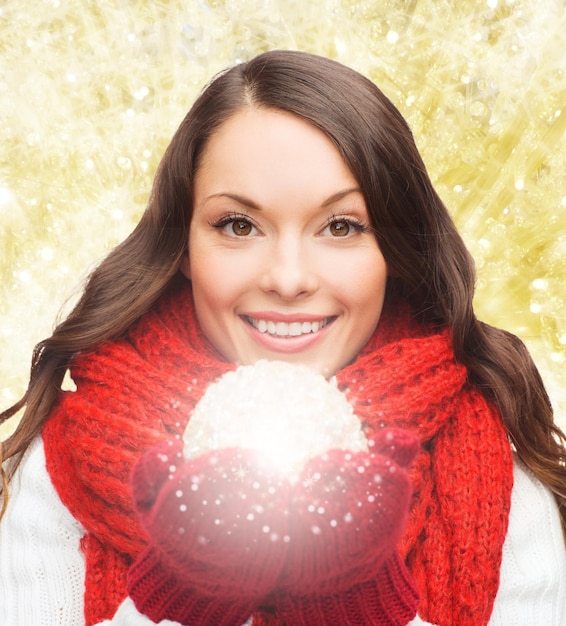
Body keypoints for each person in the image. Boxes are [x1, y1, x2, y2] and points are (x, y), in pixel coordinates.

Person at [1, 49, 565, 626]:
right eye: (239, 226)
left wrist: (350, 598)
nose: (289, 279)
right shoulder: (55, 469)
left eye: (341, 227)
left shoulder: (506, 480)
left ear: (393, 253)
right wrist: (189, 592)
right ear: (185, 247)